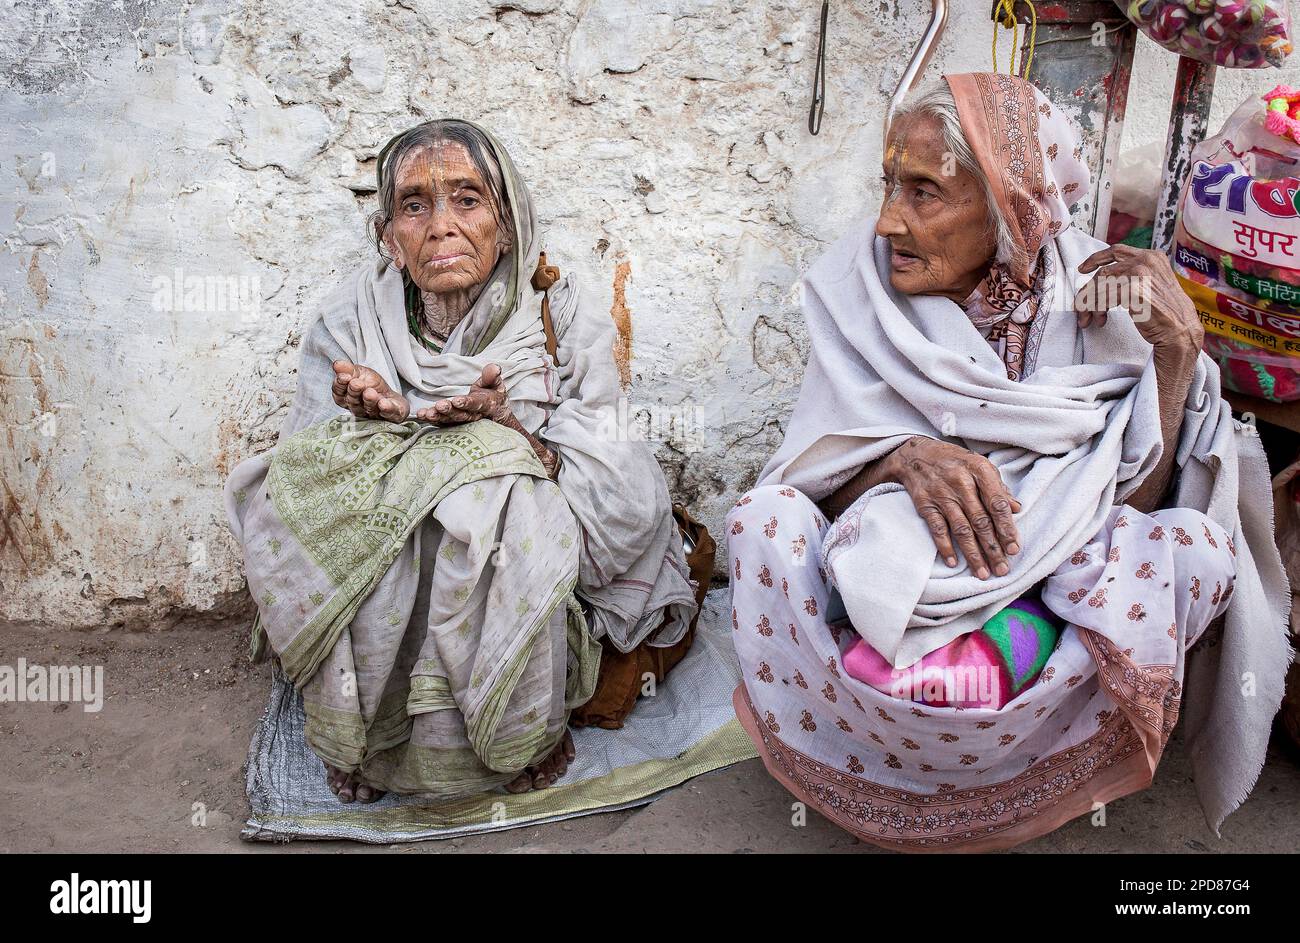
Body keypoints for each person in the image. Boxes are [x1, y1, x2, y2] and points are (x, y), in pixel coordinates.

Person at [728, 73, 1290, 851]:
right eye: (889, 184)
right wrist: (899, 458)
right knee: (762, 521)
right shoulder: (862, 286)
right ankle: (861, 761)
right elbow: (808, 476)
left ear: (1009, 207)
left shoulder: (1100, 293)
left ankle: (1014, 774)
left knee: (1190, 550)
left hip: (1048, 572)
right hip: (902, 568)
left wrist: (1175, 354)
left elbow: (1139, 505)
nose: (889, 218)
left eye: (924, 192)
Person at [226, 119, 696, 803]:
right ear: (391, 236)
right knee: (381, 508)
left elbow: (618, 481)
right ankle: (371, 731)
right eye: (415, 205)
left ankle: (522, 724)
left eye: (467, 200)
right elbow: (302, 473)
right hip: (395, 538)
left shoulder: (559, 316)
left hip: (531, 530)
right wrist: (371, 424)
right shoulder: (349, 318)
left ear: (506, 223)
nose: (441, 225)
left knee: (500, 502)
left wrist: (511, 433)